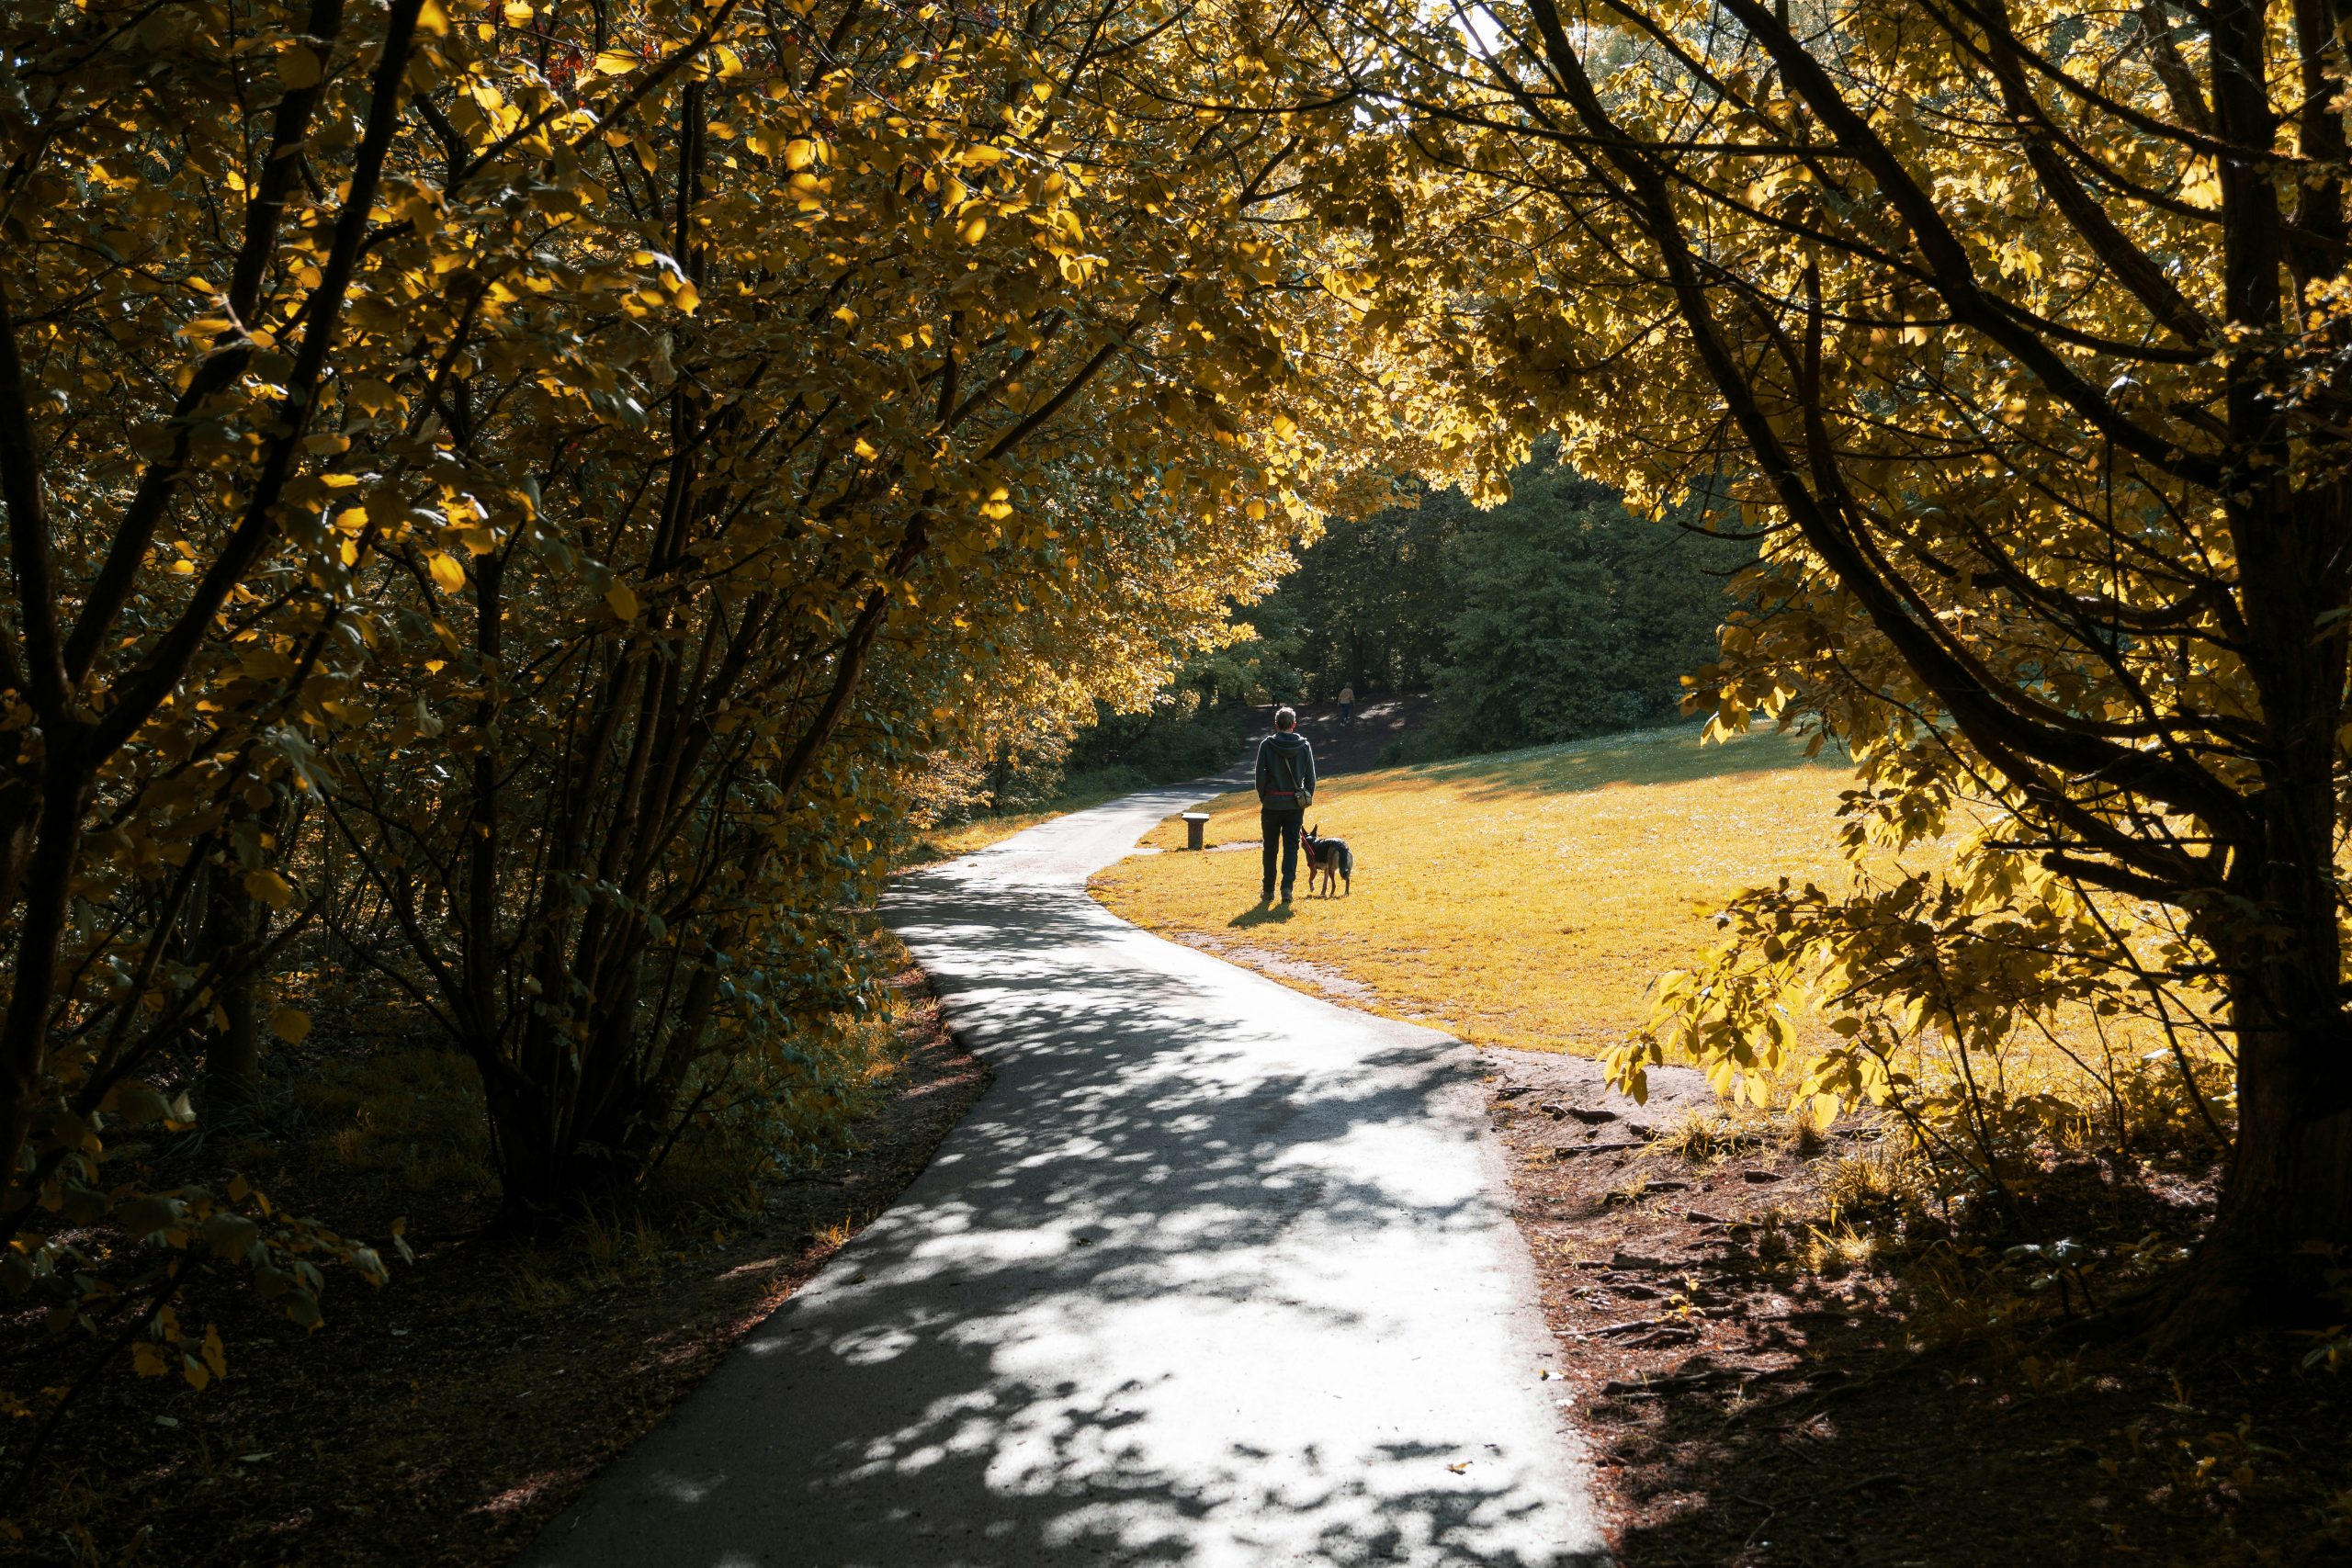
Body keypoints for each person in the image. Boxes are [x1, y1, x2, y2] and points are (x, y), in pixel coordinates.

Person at [1254, 706, 1316, 903]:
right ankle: (1287, 889)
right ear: (1294, 725)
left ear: (1276, 725)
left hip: (1271, 804)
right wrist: (1304, 799)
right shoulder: (1304, 746)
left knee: (1270, 848)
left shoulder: (1266, 745)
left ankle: (1268, 890)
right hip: (1294, 806)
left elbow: (1259, 777)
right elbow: (1311, 778)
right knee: (1291, 847)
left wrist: (1264, 797)